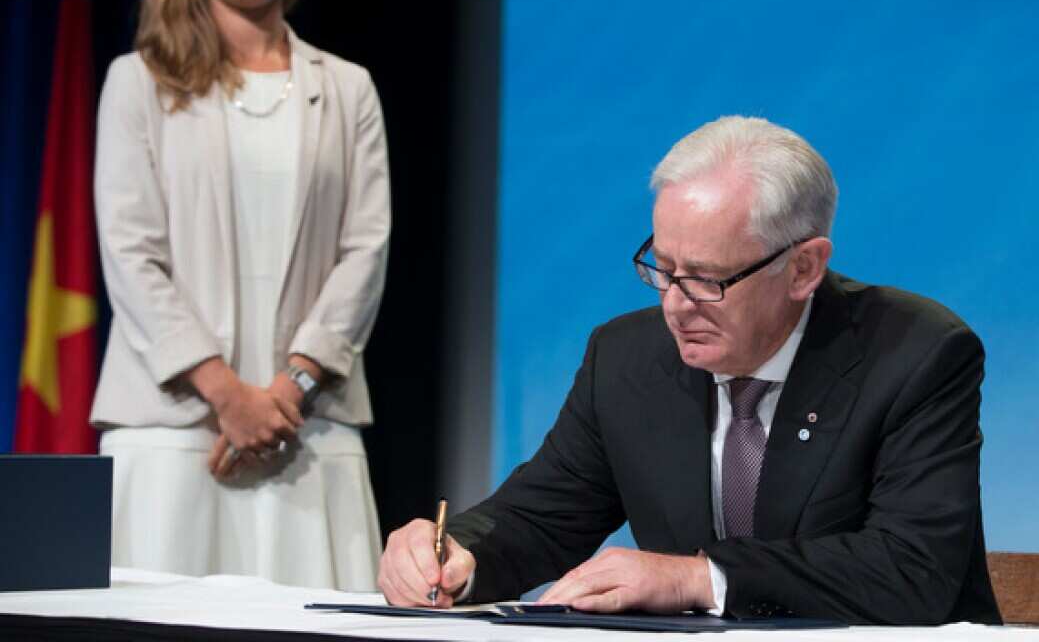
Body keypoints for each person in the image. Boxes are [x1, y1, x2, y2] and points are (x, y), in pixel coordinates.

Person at [379, 116, 1000, 623]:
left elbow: (911, 569)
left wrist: (698, 578)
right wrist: (458, 554)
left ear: (804, 269)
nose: (674, 304)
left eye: (706, 279)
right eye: (663, 267)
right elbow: (542, 516)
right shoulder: (625, 358)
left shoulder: (917, 353)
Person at [92, 0, 390, 591]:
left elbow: (364, 252)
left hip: (308, 434)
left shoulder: (348, 90)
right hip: (174, 434)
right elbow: (130, 252)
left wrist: (289, 390)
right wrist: (227, 395)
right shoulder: (136, 83)